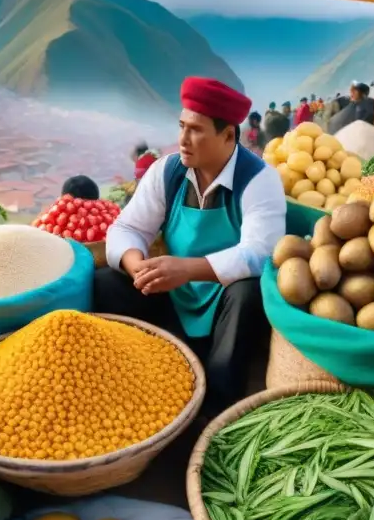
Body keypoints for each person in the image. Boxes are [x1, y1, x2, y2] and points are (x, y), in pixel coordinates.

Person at [93, 77, 286, 412]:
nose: (183, 139)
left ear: (228, 135)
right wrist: (135, 263)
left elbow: (259, 254)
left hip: (222, 307)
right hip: (174, 296)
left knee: (248, 293)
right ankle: (137, 376)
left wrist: (188, 269)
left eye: (196, 130)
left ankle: (217, 405)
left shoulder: (259, 179)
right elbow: (128, 227)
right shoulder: (166, 172)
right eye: (181, 126)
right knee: (107, 283)